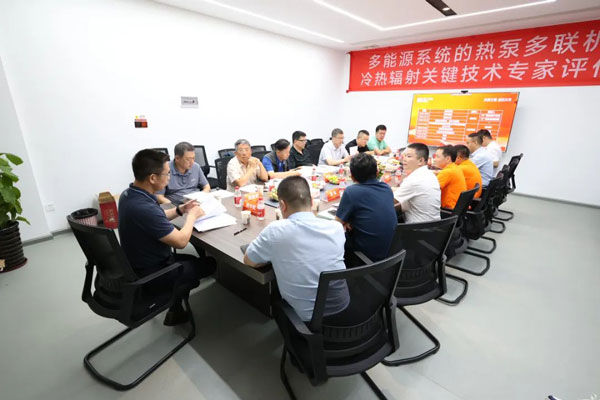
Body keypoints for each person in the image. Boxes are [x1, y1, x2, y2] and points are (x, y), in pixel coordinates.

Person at [119, 149, 216, 326]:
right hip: (152, 274)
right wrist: (192, 216)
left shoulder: (130, 195)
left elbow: (157, 217)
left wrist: (181, 210)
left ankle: (175, 308)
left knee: (191, 260)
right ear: (152, 178)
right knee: (210, 264)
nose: (169, 178)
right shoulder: (143, 208)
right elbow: (181, 242)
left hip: (137, 265)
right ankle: (174, 305)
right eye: (167, 173)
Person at [243, 176, 349, 322]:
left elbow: (249, 260)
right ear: (312, 201)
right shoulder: (336, 228)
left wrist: (273, 255)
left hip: (308, 321)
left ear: (282, 205)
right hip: (344, 309)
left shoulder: (275, 231)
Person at [335, 153, 396, 263]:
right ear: (377, 172)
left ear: (352, 176)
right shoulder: (386, 188)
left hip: (364, 257)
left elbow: (337, 224)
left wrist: (347, 220)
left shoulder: (352, 192)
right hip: (388, 255)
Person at [393, 143, 441, 223]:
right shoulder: (429, 174)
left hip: (418, 228)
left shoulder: (414, 179)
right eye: (404, 155)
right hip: (435, 226)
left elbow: (391, 202)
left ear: (421, 161)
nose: (404, 159)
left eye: (408, 156)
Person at [433, 145, 467, 209]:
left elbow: (430, 189)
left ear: (448, 159)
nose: (434, 159)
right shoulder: (455, 167)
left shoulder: (447, 172)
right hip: (458, 208)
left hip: (449, 209)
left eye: (437, 157)